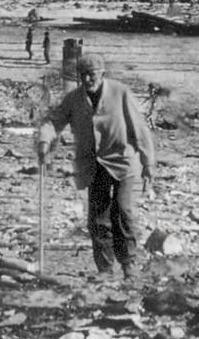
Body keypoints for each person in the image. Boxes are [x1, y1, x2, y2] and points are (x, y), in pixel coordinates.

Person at [36, 53, 155, 281]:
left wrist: (148, 165)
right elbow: (54, 121)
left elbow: (140, 131)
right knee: (98, 218)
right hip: (93, 164)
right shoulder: (73, 99)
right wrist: (44, 141)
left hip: (123, 161)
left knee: (123, 211)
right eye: (83, 76)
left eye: (91, 75)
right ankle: (105, 270)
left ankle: (129, 265)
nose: (87, 80)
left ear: (102, 74)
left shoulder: (120, 93)